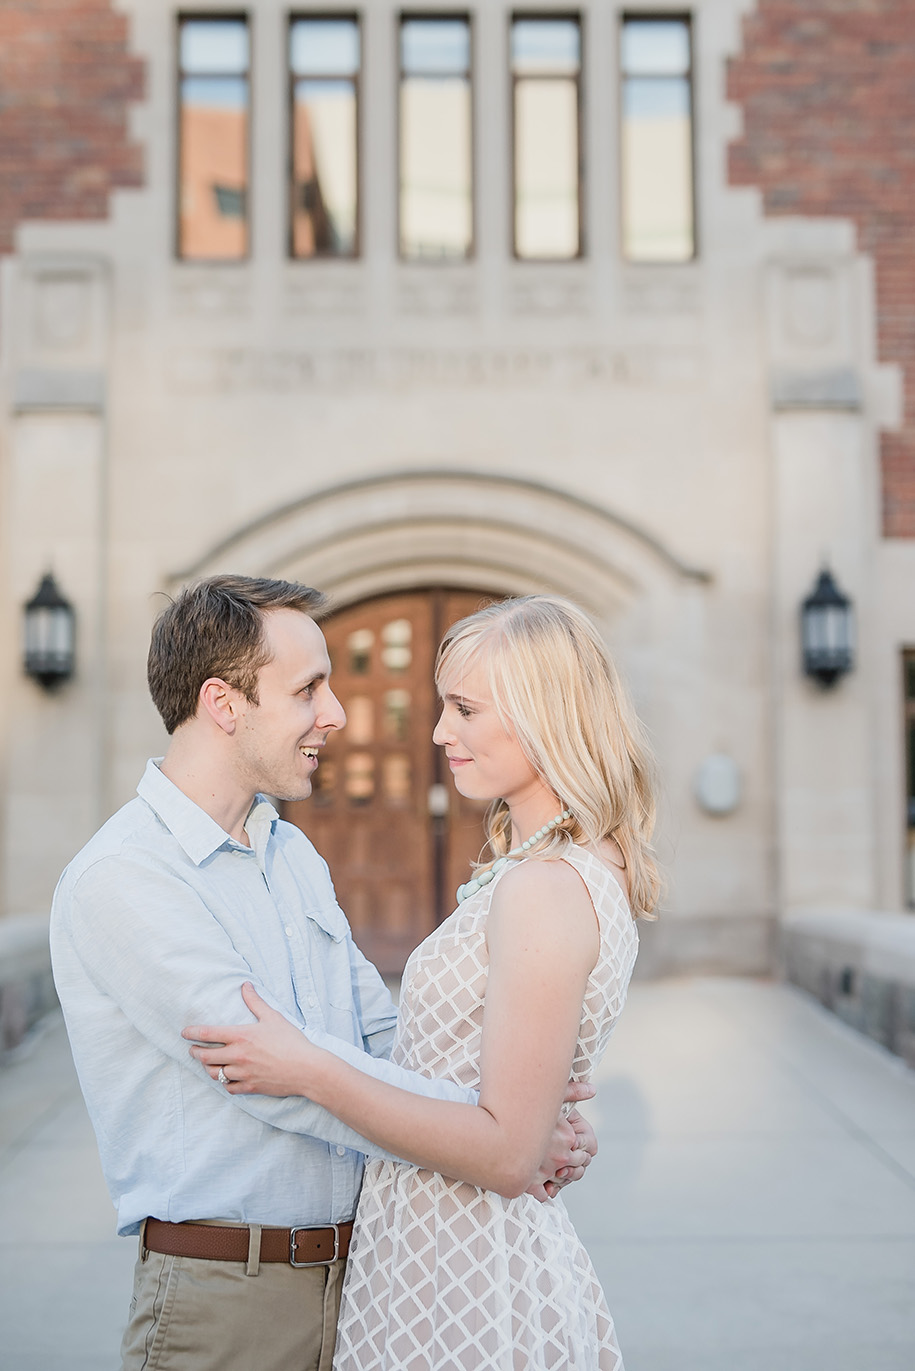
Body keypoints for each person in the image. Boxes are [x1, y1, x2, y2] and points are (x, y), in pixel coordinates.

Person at [49, 575, 595, 1371]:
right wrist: (501, 1135)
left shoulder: (290, 851)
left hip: (371, 1277)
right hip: (229, 1298)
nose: (335, 713)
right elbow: (274, 1078)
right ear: (223, 703)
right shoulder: (125, 878)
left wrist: (519, 1105)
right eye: (308, 688)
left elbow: (377, 1033)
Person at [187, 594, 661, 1371]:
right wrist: (546, 1119)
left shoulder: (543, 885)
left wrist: (306, 1068)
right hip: (433, 1252)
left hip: (467, 1277)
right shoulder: (563, 865)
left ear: (545, 713)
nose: (440, 731)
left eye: (465, 708)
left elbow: (506, 1153)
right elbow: (507, 1104)